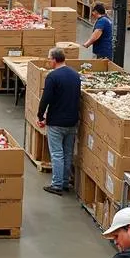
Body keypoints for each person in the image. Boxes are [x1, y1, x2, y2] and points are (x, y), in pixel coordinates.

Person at [37, 47, 81, 196]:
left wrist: (40, 115)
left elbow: (46, 98)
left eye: (49, 58)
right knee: (68, 152)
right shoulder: (75, 75)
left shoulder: (53, 77)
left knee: (56, 153)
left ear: (54, 60)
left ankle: (56, 185)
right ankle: (65, 182)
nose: (48, 61)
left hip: (56, 121)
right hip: (72, 121)